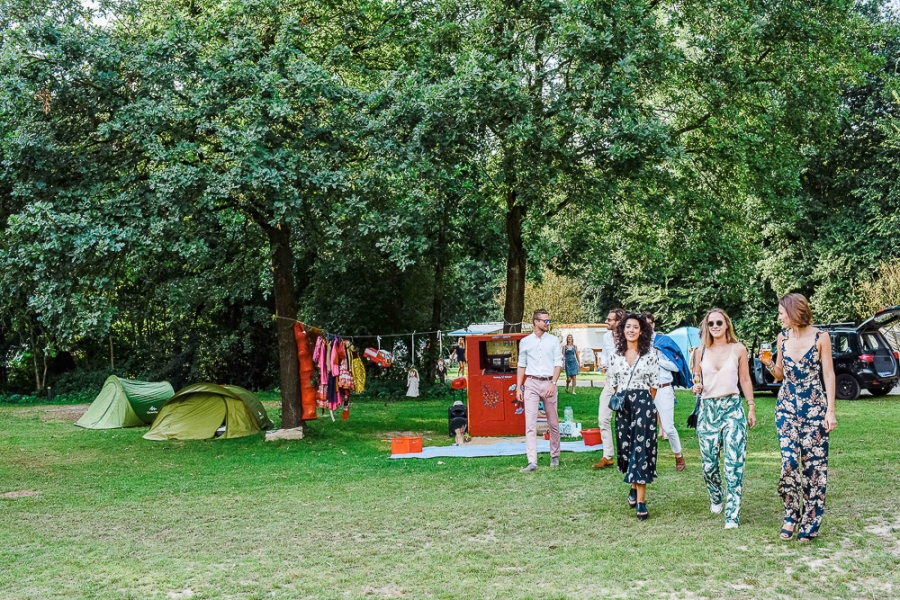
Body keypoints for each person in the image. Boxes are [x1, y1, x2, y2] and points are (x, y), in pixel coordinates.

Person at [761, 293, 836, 542]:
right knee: (790, 463)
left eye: (782, 312)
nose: (779, 317)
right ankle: (791, 514)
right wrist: (769, 363)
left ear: (793, 312)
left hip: (814, 408)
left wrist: (830, 410)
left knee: (814, 468)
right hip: (786, 407)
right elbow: (780, 375)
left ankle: (810, 523)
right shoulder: (782, 337)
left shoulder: (820, 337)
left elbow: (829, 374)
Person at [690, 308, 757, 529]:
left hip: (733, 410)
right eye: (711, 324)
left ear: (727, 324)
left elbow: (745, 380)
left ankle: (732, 515)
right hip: (709, 411)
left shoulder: (738, 349)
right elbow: (697, 377)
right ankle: (716, 496)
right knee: (709, 466)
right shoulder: (700, 351)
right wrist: (696, 385)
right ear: (707, 327)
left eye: (719, 322)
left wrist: (751, 407)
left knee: (733, 464)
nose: (715, 326)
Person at [608, 313, 659, 520]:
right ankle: (632, 485)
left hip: (643, 405)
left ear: (641, 331)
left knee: (642, 449)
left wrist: (643, 401)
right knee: (627, 448)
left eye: (635, 327)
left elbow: (654, 385)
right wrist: (624, 398)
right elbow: (613, 382)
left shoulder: (650, 354)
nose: (631, 330)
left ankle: (641, 501)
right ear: (622, 330)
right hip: (623, 405)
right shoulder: (615, 355)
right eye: (627, 326)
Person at [515, 309, 563, 473]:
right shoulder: (525, 342)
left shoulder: (554, 341)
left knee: (553, 422)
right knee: (530, 423)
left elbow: (558, 363)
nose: (548, 323)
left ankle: (555, 455)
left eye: (548, 321)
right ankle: (532, 461)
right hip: (532, 383)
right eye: (545, 321)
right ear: (536, 322)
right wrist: (519, 387)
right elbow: (521, 365)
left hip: (549, 382)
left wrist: (553, 383)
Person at [641, 311, 686, 471]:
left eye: (649, 323)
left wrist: (657, 358)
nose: (647, 327)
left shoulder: (663, 341)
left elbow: (676, 365)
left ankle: (678, 455)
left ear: (653, 325)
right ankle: (644, 460)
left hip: (663, 388)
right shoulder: (637, 343)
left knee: (668, 427)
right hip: (644, 389)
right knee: (643, 426)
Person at [593, 308, 626, 469]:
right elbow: (606, 354)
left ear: (618, 322)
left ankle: (629, 454)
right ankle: (608, 455)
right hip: (609, 383)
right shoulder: (606, 336)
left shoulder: (629, 336)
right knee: (603, 418)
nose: (606, 322)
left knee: (627, 421)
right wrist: (603, 364)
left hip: (626, 385)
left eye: (609, 320)